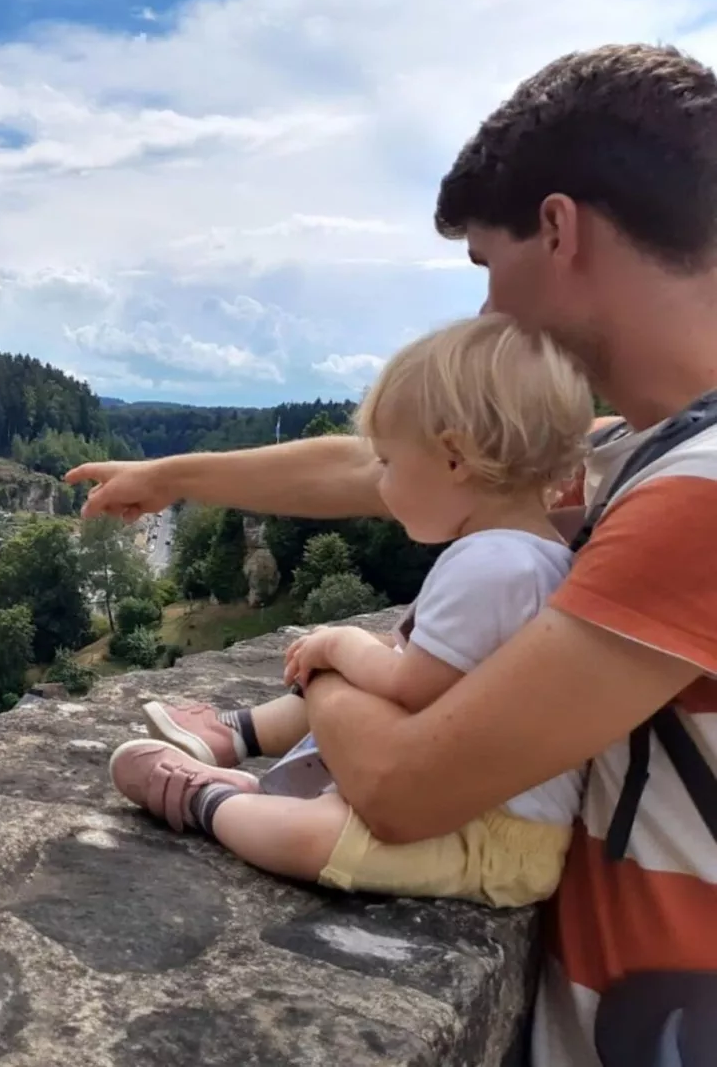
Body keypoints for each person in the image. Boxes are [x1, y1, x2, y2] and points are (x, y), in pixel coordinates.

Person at [66, 43, 717, 1067]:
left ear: (557, 230)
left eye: (484, 268)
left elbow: (405, 787)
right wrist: (178, 471)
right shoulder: (639, 448)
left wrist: (325, 664)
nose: (484, 314)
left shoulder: (696, 494)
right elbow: (378, 465)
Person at [110, 313, 594, 907]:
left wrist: (339, 643)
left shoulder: (492, 566)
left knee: (310, 840)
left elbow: (412, 685)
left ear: (454, 459)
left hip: (491, 837)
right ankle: (246, 765)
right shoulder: (536, 554)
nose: (380, 486)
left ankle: (211, 801)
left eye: (388, 462)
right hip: (477, 806)